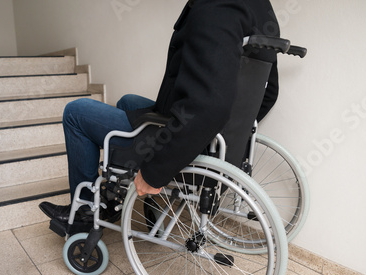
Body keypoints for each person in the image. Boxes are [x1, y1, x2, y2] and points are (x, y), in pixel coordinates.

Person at [39, 0, 280, 228]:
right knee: (128, 101)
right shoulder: (261, 9)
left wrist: (156, 173)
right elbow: (269, 94)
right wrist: (231, 132)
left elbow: (210, 108)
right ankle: (116, 199)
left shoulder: (217, 8)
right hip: (215, 142)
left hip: (189, 140)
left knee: (76, 113)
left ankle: (84, 214)